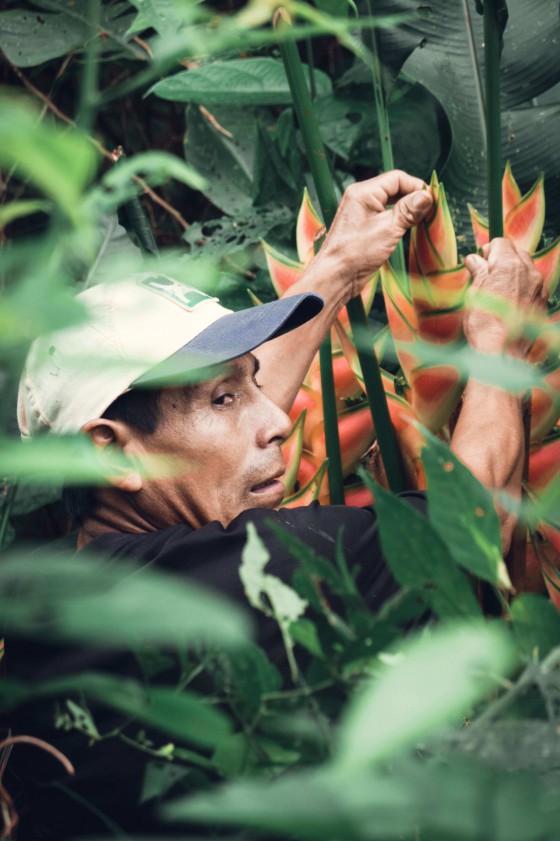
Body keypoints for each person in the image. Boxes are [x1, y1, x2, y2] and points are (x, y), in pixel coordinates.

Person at [8, 171, 546, 837]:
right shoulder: (237, 582)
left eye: (251, 381)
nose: (278, 421)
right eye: (226, 399)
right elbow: (469, 529)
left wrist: (340, 267)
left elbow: (199, 432)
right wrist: (499, 344)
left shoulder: (54, 598)